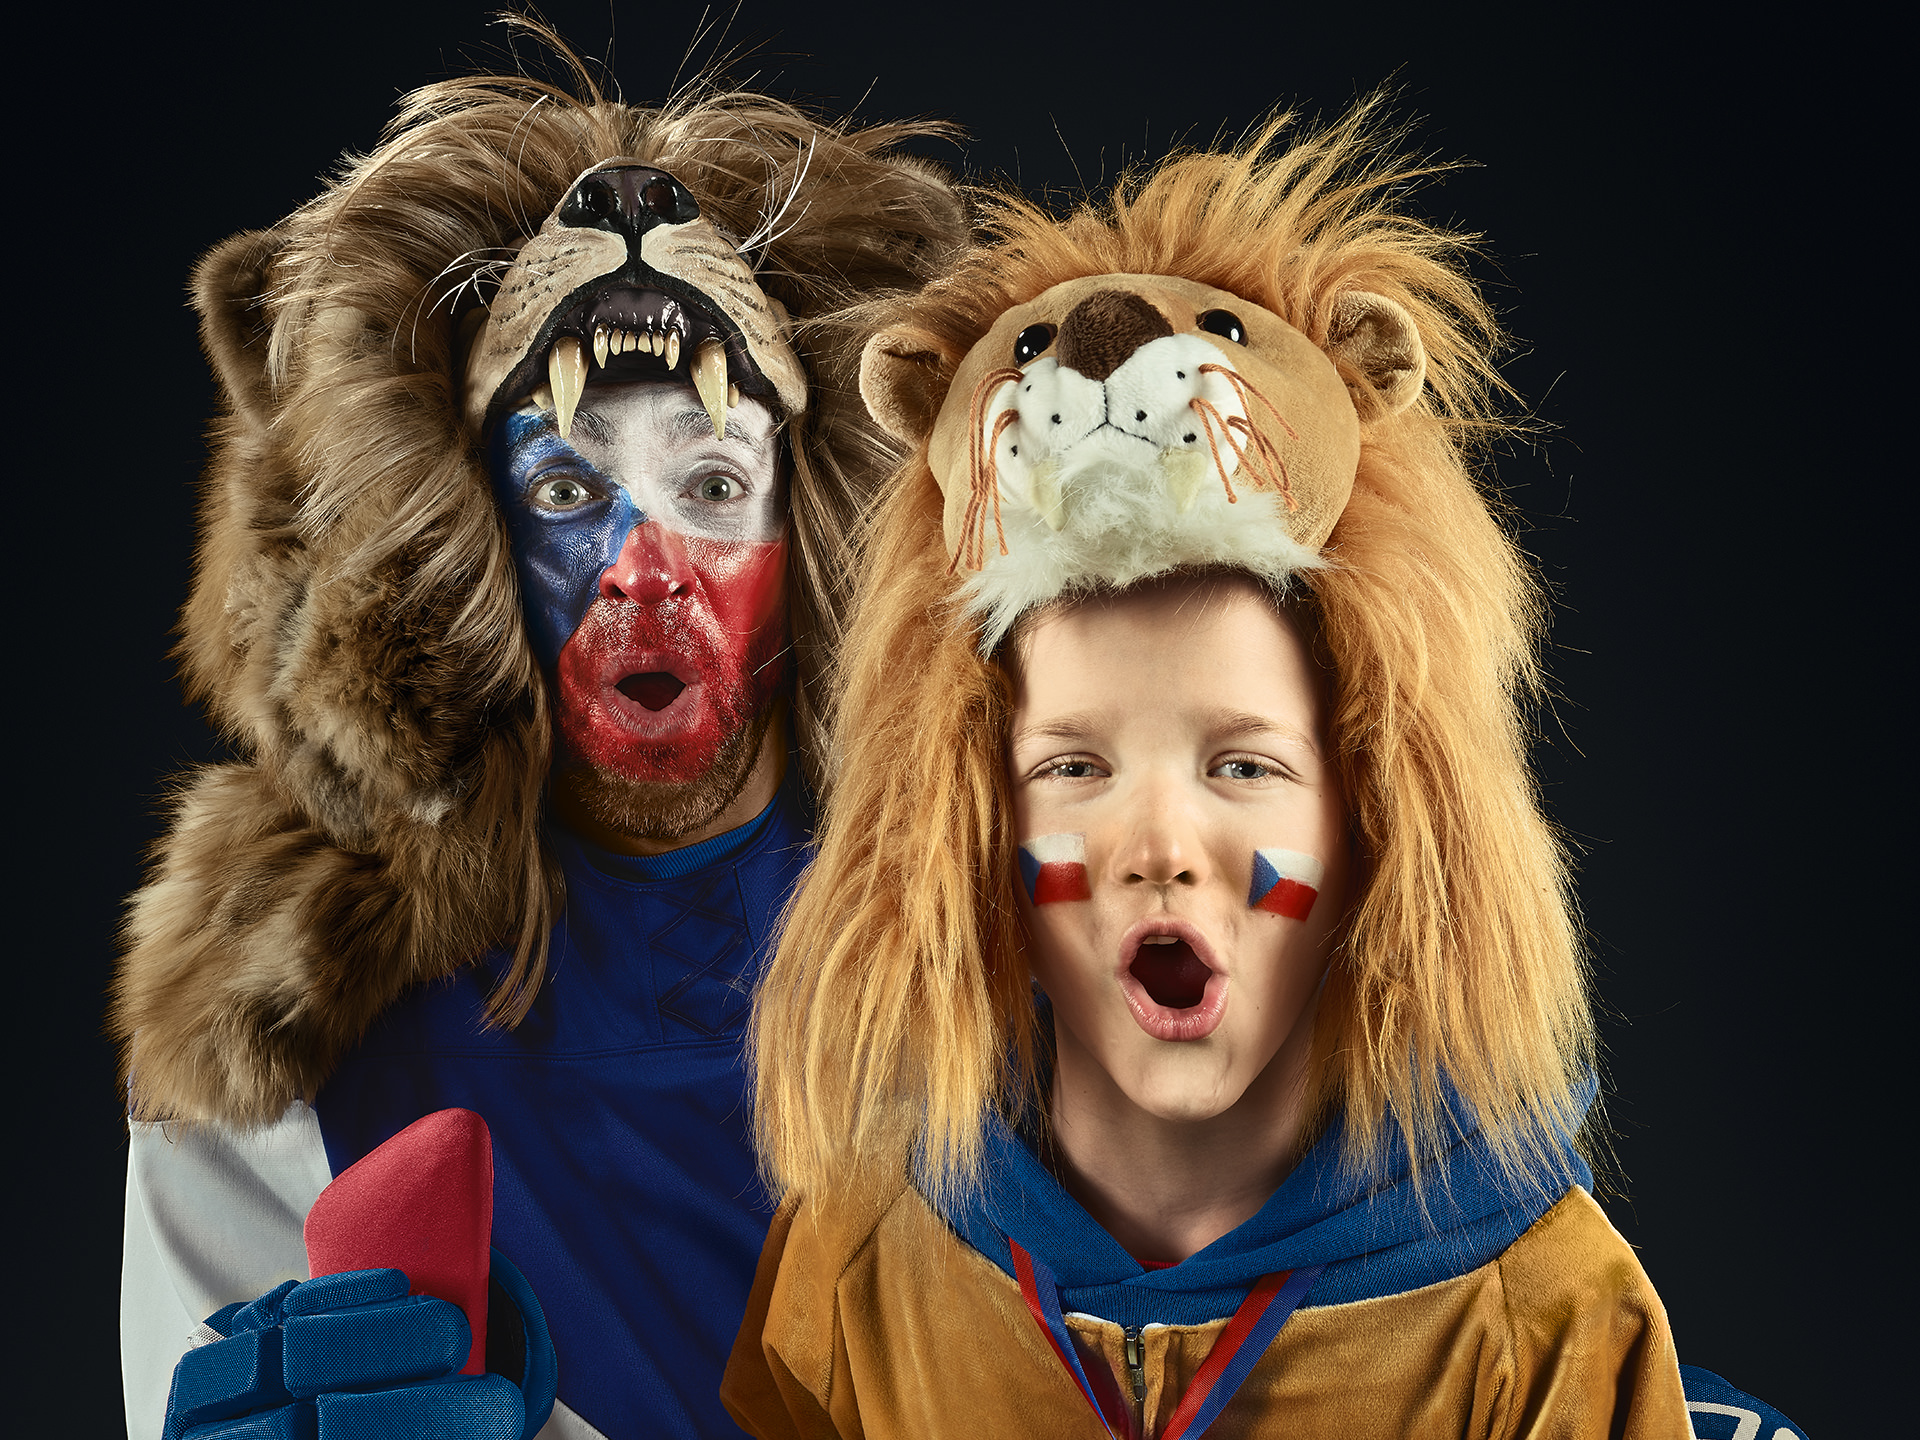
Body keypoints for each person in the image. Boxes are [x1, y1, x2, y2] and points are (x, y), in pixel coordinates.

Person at [722, 110, 1777, 1437]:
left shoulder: (1539, 1317)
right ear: (969, 827)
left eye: (1242, 764)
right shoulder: (862, 1267)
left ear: (1373, 826)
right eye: (1072, 765)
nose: (1157, 839)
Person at [112, 29, 963, 1440]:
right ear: (464, 550)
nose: (642, 568)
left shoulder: (1006, 953)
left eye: (710, 481)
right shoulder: (278, 1023)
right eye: (568, 494)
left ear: (813, 535)